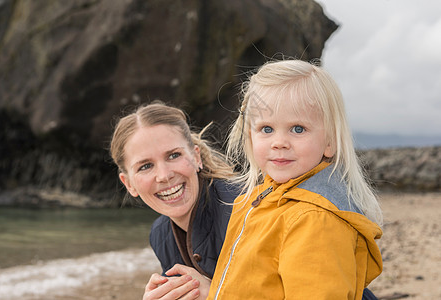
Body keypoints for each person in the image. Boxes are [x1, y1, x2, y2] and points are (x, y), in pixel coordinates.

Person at [206, 59, 383, 299]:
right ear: (250, 135)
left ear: (329, 141)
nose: (279, 142)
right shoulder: (258, 200)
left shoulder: (314, 219)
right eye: (267, 129)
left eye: (298, 129)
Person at [110, 101, 240, 299]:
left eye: (173, 155)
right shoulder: (160, 235)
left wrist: (216, 295)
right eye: (145, 166)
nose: (164, 175)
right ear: (128, 184)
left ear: (196, 157)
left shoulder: (243, 208)